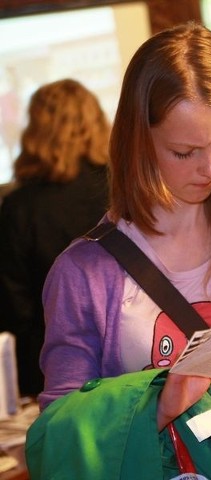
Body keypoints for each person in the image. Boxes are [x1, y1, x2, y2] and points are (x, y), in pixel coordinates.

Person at [28, 22, 211, 478]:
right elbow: (58, 441)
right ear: (140, 140)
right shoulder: (84, 273)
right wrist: (157, 404)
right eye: (184, 151)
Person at [0, 78, 110, 396]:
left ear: (34, 130)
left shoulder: (19, 208)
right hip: (129, 359)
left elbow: (14, 308)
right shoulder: (123, 190)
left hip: (52, 370)